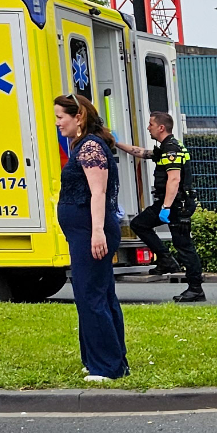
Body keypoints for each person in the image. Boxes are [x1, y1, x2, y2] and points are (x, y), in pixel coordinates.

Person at [52, 94, 128, 382]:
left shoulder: (90, 148)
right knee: (97, 293)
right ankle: (105, 359)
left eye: (61, 117)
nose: (58, 123)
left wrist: (97, 232)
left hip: (90, 230)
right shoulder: (85, 146)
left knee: (91, 295)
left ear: (78, 116)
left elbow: (98, 192)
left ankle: (106, 366)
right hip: (84, 229)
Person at [115, 111, 203, 302]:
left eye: (151, 125)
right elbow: (141, 152)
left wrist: (166, 207)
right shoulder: (166, 147)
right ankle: (165, 259)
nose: (148, 128)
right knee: (139, 224)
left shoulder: (171, 149)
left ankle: (195, 289)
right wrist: (114, 143)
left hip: (177, 204)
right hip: (172, 203)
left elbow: (174, 179)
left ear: (161, 127)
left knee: (184, 245)